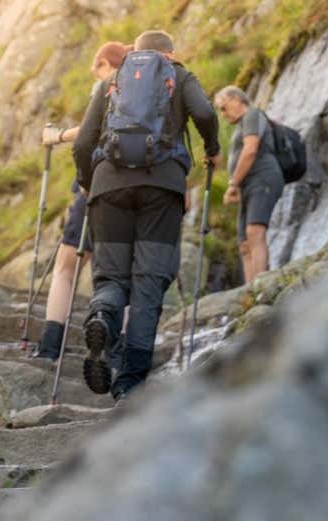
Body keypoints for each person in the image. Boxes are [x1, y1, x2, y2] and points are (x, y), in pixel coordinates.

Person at [74, 30, 220, 400]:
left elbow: (83, 142)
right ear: (170, 53)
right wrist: (212, 148)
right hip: (161, 186)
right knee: (148, 282)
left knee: (111, 277)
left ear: (133, 52)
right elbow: (204, 113)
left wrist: (89, 183)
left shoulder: (111, 81)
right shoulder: (179, 74)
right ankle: (129, 382)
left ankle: (102, 318)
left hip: (108, 185)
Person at [32, 41, 131, 362]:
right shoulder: (150, 91)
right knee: (122, 272)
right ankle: (120, 351)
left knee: (66, 266)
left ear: (104, 63)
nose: (94, 73)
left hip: (97, 184)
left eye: (95, 66)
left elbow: (89, 132)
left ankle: (50, 347)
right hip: (136, 189)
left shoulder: (106, 86)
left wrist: (57, 136)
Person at [214, 85, 284, 283]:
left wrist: (233, 183)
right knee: (244, 244)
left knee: (255, 231)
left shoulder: (252, 115)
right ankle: (249, 289)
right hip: (248, 184)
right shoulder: (242, 124)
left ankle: (260, 286)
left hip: (262, 177)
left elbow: (251, 150)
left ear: (236, 99)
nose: (223, 114)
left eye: (224, 108)